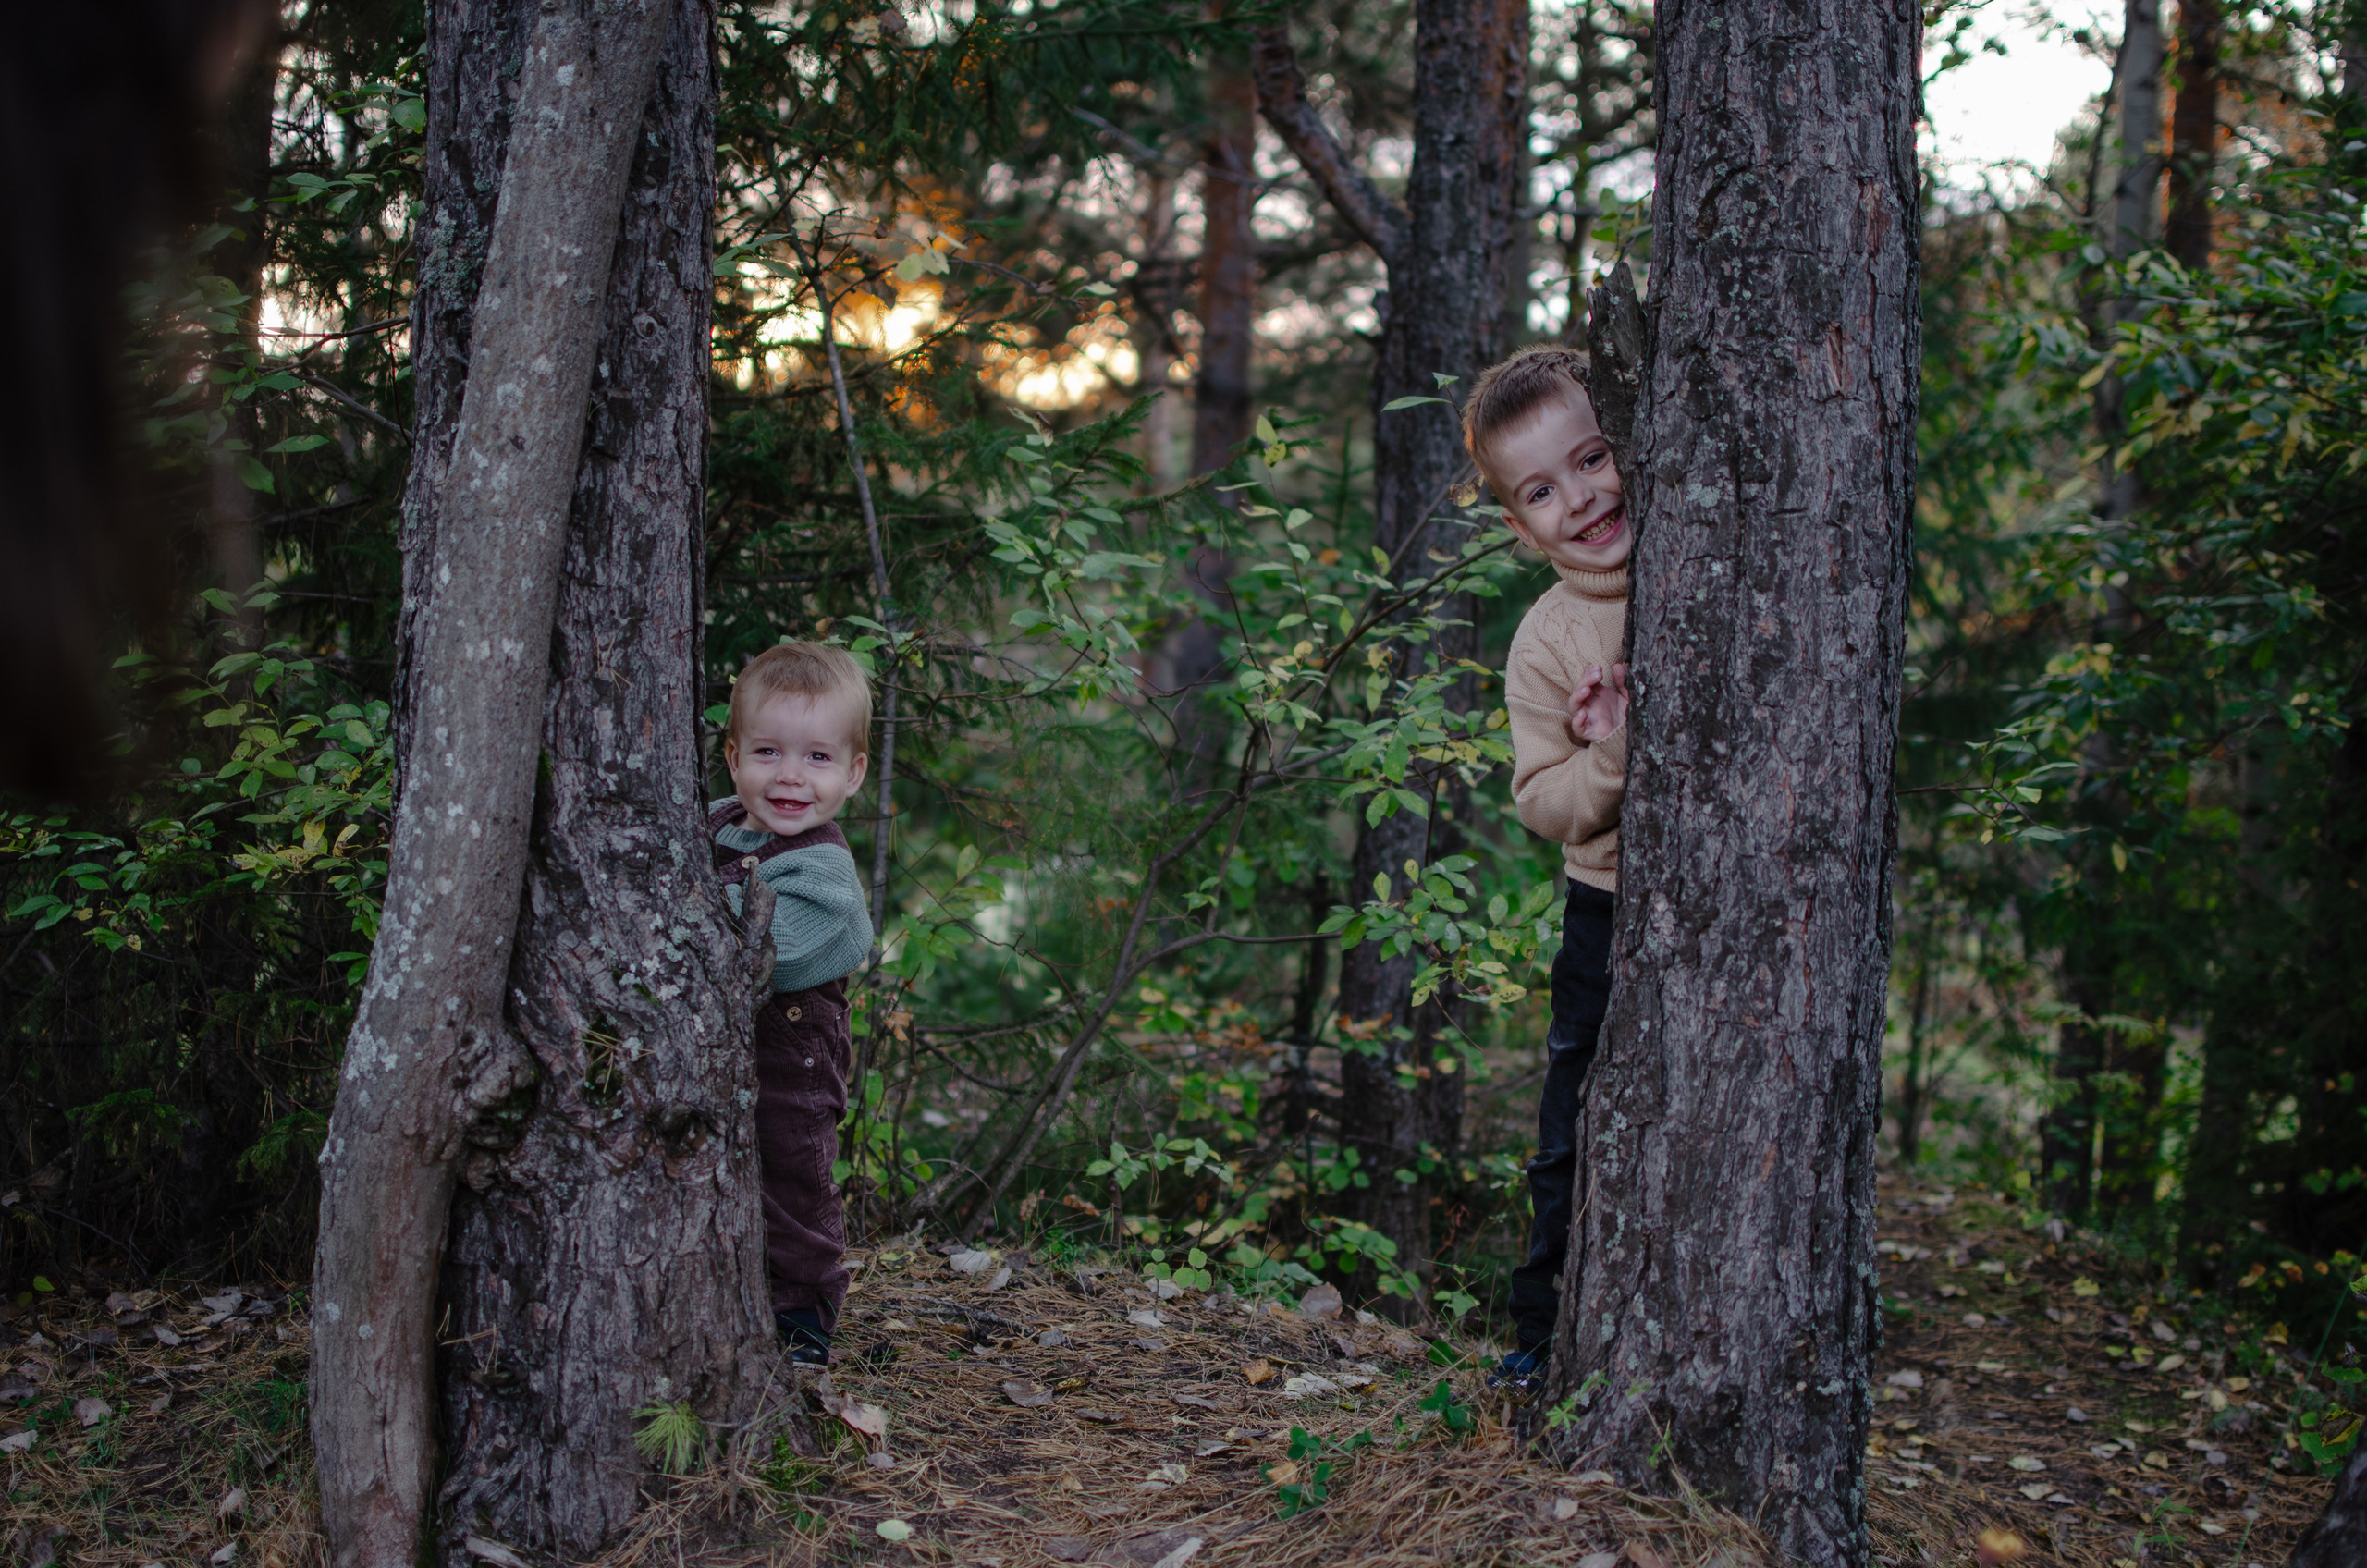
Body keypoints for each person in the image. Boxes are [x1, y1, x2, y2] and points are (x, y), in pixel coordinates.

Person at [1463, 346, 1633, 1393]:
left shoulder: (1716, 547)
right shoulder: (1546, 640)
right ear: (1518, 525)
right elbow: (1541, 799)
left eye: (1593, 458)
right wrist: (1608, 752)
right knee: (1572, 1128)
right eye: (1541, 489)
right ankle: (1538, 1330)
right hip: (1605, 909)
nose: (1579, 498)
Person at [710, 641, 878, 1365]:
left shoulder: (827, 875)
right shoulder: (720, 823)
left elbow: (755, 952)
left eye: (817, 758)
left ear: (853, 774)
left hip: (795, 1062)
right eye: (769, 752)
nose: (789, 777)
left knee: (793, 1178)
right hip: (728, 1053)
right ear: (733, 756)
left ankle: (807, 1312)